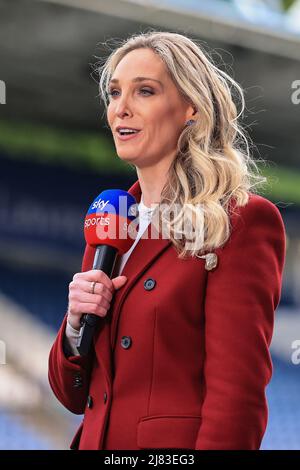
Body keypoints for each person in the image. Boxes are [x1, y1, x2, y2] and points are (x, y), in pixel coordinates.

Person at [48, 31, 286, 450]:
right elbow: (72, 395)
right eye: (115, 92)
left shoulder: (240, 221)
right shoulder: (111, 221)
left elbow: (237, 401)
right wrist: (73, 326)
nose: (121, 108)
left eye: (144, 91)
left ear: (190, 108)